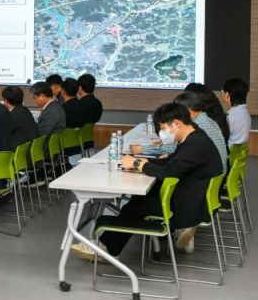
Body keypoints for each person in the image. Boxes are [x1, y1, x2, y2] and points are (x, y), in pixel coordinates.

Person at [72, 103, 223, 260]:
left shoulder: (194, 145)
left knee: (137, 206)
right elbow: (170, 162)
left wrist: (138, 164)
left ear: (177, 123)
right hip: (194, 197)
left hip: (189, 206)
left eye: (163, 128)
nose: (163, 134)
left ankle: (106, 249)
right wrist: (141, 161)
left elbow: (167, 172)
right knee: (139, 201)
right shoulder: (195, 137)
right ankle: (107, 246)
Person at [132, 91, 228, 174]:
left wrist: (140, 156)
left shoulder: (197, 129)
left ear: (187, 110)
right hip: (213, 173)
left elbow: (174, 152)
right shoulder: (206, 121)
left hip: (202, 178)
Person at [31, 81, 66, 156]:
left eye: (35, 98)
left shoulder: (50, 112)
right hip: (53, 148)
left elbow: (41, 136)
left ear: (42, 96)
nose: (34, 101)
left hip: (46, 150)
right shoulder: (56, 106)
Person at [1, 86, 38, 150]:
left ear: (6, 101)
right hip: (30, 148)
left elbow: (4, 133)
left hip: (20, 150)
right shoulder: (25, 110)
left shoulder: (13, 114)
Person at [221, 77, 250, 146]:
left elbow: (222, 136)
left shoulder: (230, 116)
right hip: (240, 150)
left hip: (229, 150)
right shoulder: (245, 112)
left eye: (223, 91)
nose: (222, 93)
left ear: (227, 94)